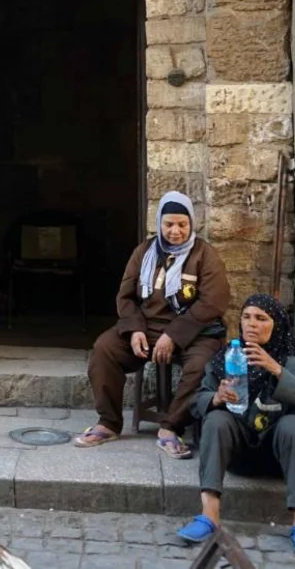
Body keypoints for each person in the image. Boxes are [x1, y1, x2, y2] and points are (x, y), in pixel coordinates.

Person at [75, 191, 230, 459]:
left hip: (194, 332)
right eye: (169, 224)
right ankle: (108, 423)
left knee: (202, 365)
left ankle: (171, 428)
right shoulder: (144, 251)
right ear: (159, 223)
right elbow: (125, 296)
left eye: (182, 224)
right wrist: (135, 329)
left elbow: (213, 303)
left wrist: (173, 334)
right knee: (104, 349)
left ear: (192, 224)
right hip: (146, 327)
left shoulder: (204, 254)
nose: (175, 231)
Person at [176, 294, 295, 558]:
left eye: (261, 318)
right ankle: (209, 514)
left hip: (279, 453)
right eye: (246, 317)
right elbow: (197, 400)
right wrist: (216, 397)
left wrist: (276, 369)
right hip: (239, 450)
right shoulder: (227, 357)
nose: (251, 324)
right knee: (216, 419)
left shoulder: (292, 361)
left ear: (276, 325)